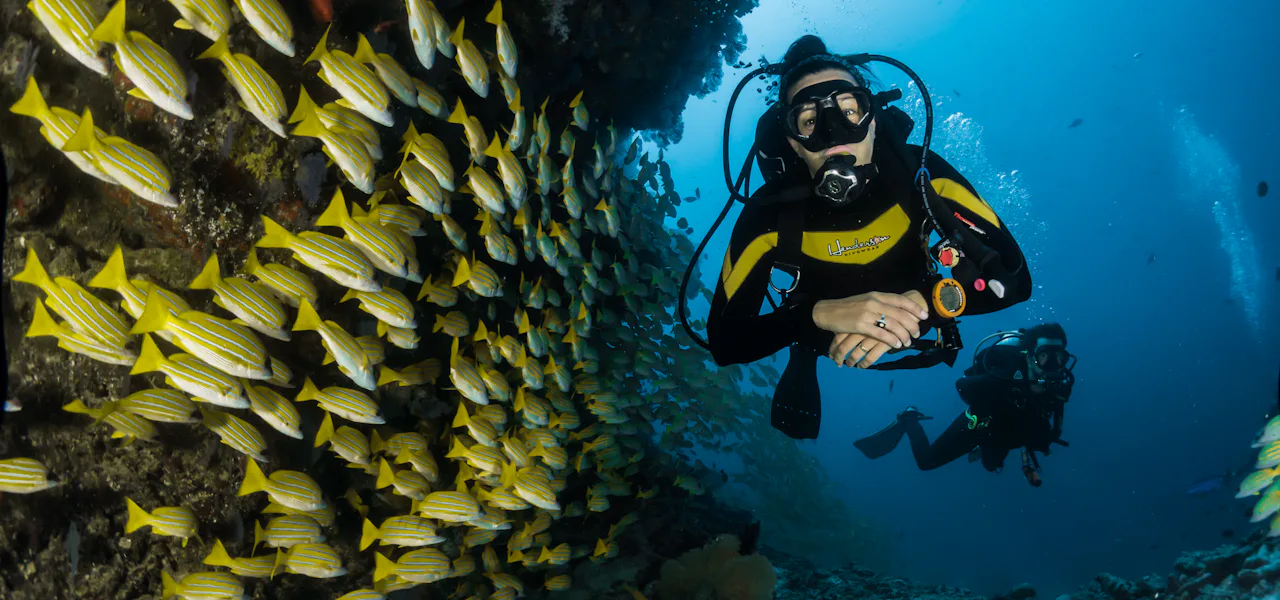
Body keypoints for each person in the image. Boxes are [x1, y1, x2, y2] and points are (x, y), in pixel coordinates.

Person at [699, 35, 1032, 438]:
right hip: (821, 331)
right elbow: (726, 342)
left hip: (919, 308)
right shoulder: (768, 214)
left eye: (849, 110)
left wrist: (928, 302)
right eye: (809, 121)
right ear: (792, 142)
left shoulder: (921, 175)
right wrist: (815, 316)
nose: (833, 133)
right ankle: (804, 352)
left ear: (872, 120)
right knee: (805, 338)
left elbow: (1015, 279)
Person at [854, 324, 1075, 486]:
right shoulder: (1006, 374)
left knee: (991, 466)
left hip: (1009, 432)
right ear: (1029, 356)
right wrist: (995, 396)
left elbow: (1052, 423)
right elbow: (962, 386)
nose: (1053, 365)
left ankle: (990, 450)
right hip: (979, 425)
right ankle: (909, 418)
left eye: (1059, 357)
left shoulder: (1060, 387)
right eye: (1045, 356)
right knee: (926, 462)